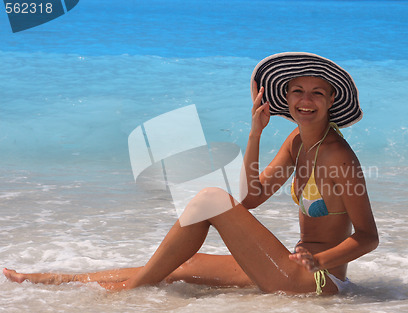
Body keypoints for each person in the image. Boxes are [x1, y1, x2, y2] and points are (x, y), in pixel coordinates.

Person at [3, 52, 378, 295]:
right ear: (286, 99)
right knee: (184, 266)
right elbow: (252, 197)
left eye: (317, 93)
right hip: (292, 266)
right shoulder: (298, 141)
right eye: (297, 91)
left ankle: (130, 290)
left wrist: (320, 261)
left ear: (332, 101)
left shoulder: (338, 157)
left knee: (211, 199)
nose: (305, 100)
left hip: (317, 280)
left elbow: (367, 237)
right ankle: (55, 280)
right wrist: (255, 132)